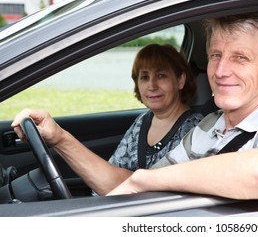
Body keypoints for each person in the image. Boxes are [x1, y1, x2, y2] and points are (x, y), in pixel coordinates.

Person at [106, 11, 258, 200]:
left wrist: (143, 179)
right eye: (216, 55)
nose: (220, 71)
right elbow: (158, 177)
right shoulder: (210, 124)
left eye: (240, 58)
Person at [12, 43, 203, 196]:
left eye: (161, 75)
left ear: (180, 80)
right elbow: (109, 174)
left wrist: (61, 138)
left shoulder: (195, 129)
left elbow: (145, 190)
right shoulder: (142, 123)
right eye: (144, 77)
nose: (151, 85)